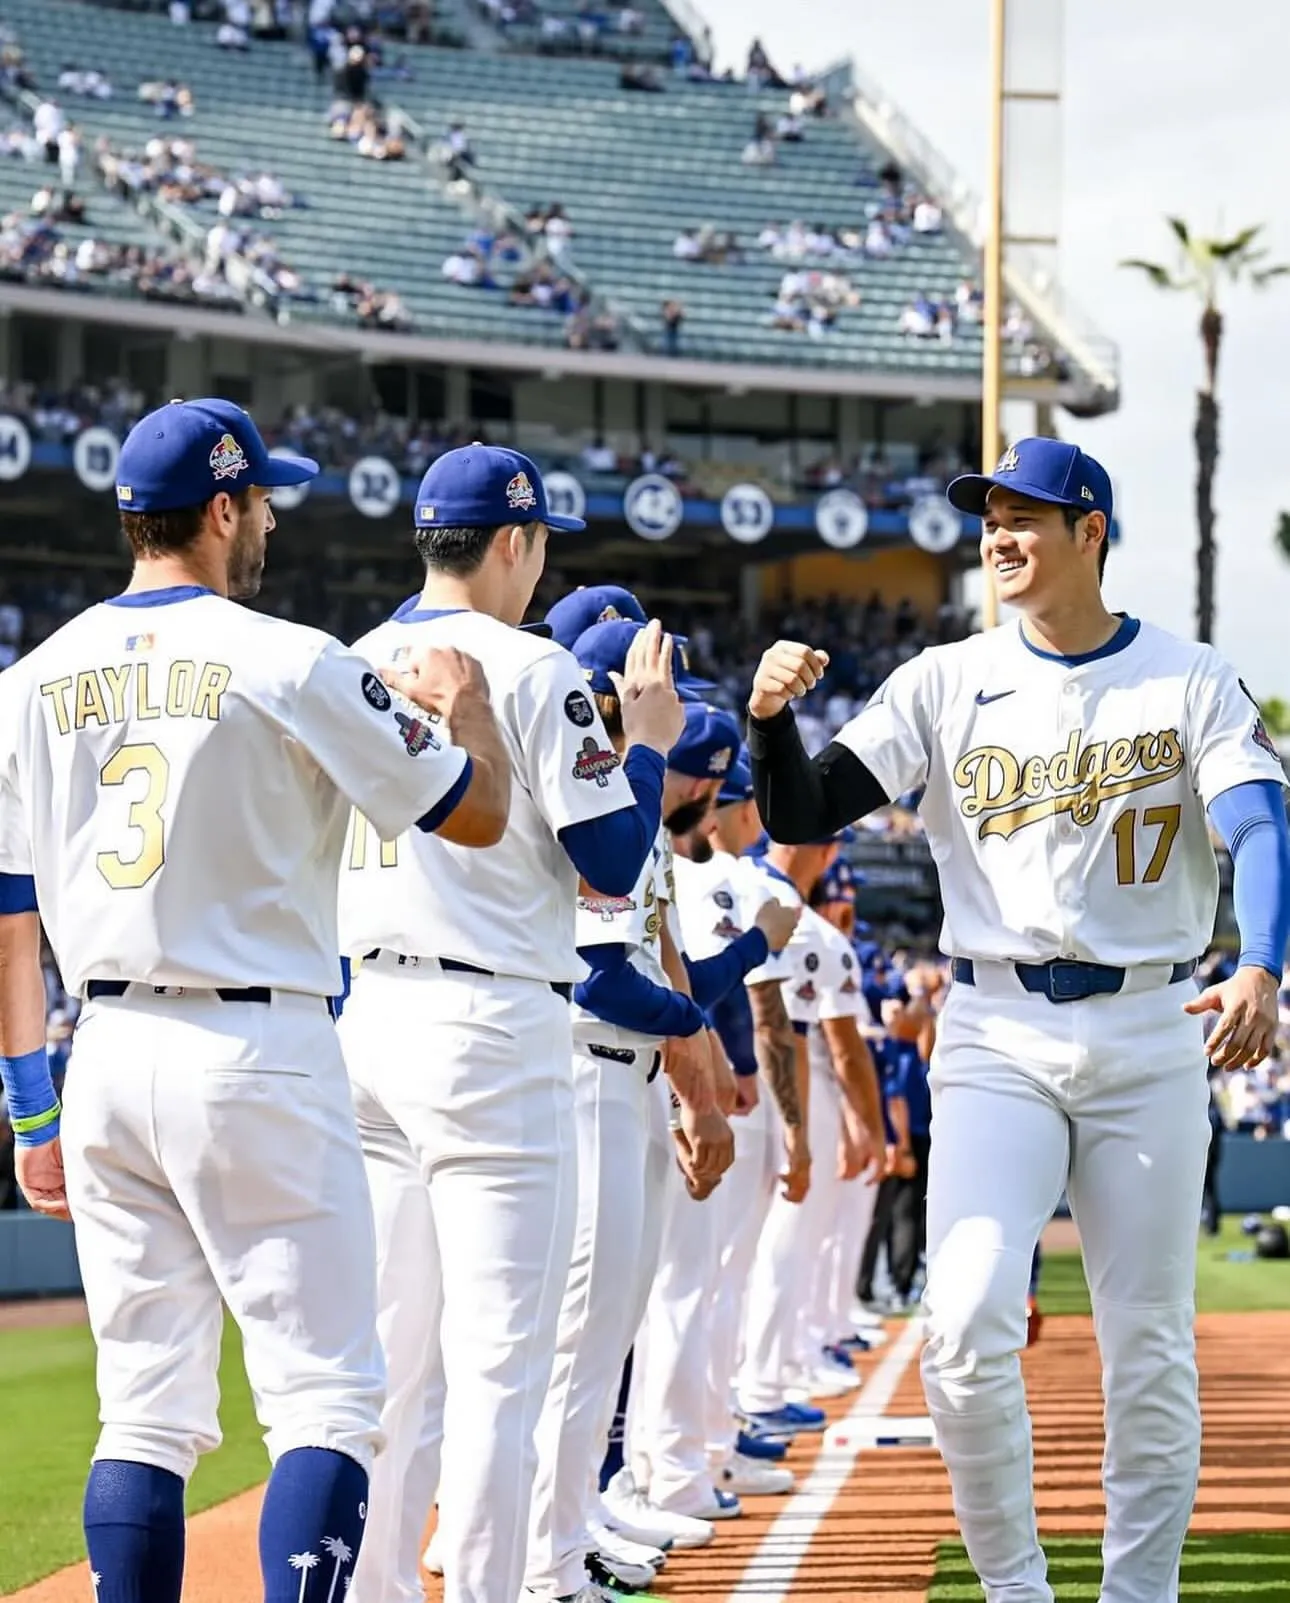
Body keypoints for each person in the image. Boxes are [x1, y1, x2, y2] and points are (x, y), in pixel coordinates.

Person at [745, 436, 1290, 1603]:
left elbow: (1257, 826)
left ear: (1090, 531)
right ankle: (1016, 1590)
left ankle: (1138, 1592)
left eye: (1027, 514)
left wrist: (1262, 965)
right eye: (989, 513)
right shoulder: (944, 678)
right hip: (993, 1029)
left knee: (1148, 1347)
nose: (999, 533)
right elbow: (803, 804)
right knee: (966, 1315)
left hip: (1152, 1027)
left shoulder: (1189, 676)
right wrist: (770, 720)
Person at [0, 399, 511, 1603]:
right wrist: (469, 712)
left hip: (105, 1051)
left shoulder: (29, 679)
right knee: (327, 1395)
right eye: (263, 499)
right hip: (259, 1041)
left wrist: (31, 1110)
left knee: (143, 1413)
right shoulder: (291, 655)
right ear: (224, 507)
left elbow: (8, 918)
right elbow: (476, 816)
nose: (269, 518)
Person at [334, 445, 706, 1603]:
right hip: (490, 1024)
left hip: (363, 1018)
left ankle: (380, 1587)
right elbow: (609, 860)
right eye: (539, 545)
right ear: (514, 542)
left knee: (389, 1365)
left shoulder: (348, 659)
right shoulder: (541, 670)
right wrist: (643, 740)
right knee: (500, 1367)